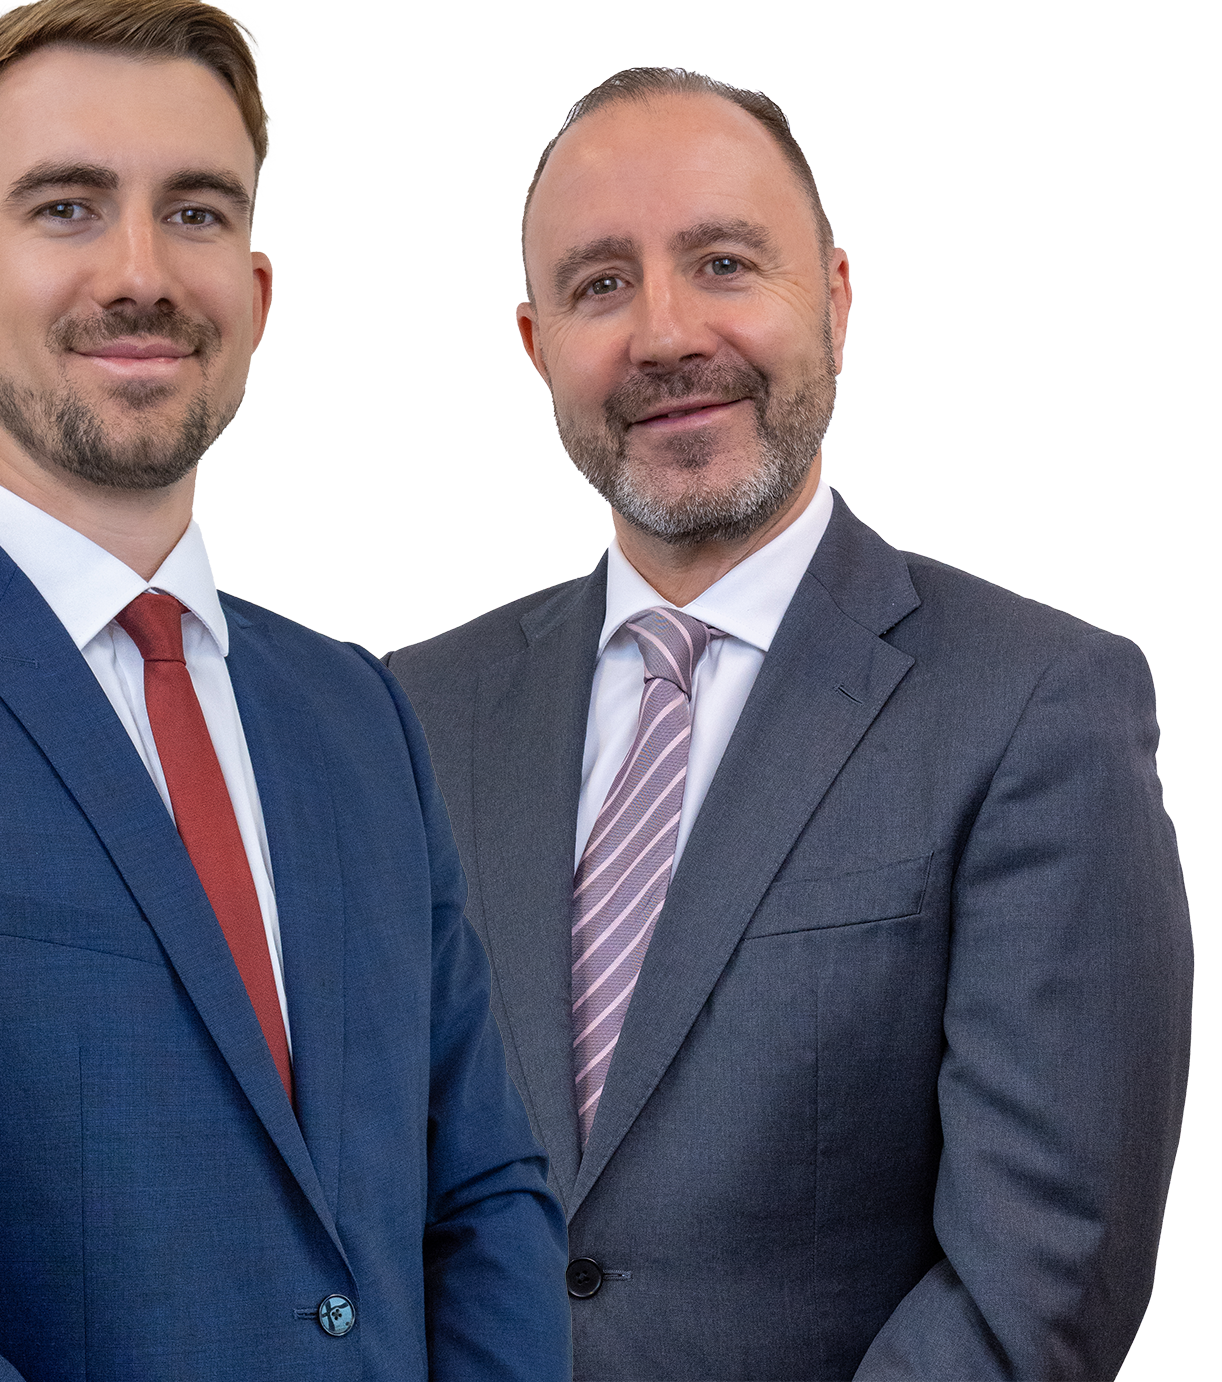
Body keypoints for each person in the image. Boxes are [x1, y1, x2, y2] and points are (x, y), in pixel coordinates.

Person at [0, 0, 570, 1382]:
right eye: (66, 205)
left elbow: (485, 1198)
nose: (140, 269)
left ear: (253, 295)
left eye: (196, 210)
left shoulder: (355, 714)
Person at [386, 68, 1192, 1381]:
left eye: (721, 262)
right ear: (535, 350)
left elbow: (1035, 1283)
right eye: (601, 286)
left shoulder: (1035, 708)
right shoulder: (410, 716)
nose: (663, 334)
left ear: (834, 296)